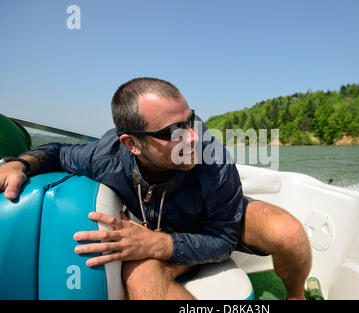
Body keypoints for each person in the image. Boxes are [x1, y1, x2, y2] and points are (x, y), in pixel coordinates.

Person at [0, 78, 311, 300]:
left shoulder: (212, 159)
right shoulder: (104, 156)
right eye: (173, 132)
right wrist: (20, 164)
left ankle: (296, 296)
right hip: (157, 228)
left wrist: (161, 245)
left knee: (288, 233)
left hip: (215, 222)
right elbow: (57, 152)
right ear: (132, 143)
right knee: (142, 276)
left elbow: (223, 239)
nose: (192, 138)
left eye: (191, 120)